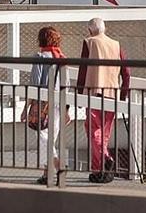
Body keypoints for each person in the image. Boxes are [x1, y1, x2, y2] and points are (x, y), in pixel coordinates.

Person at [75, 16, 130, 183]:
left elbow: (83, 69)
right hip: (112, 94)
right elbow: (126, 72)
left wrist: (78, 92)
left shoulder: (89, 42)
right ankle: (99, 169)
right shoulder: (116, 45)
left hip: (94, 92)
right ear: (104, 29)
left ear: (90, 30)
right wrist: (122, 95)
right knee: (104, 134)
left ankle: (104, 161)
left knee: (93, 131)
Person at [28, 25, 67, 184]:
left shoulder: (40, 57)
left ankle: (58, 165)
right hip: (58, 104)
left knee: (44, 138)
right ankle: (46, 174)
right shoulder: (62, 58)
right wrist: (66, 110)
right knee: (51, 138)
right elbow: (66, 84)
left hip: (42, 104)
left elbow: (34, 84)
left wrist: (26, 108)